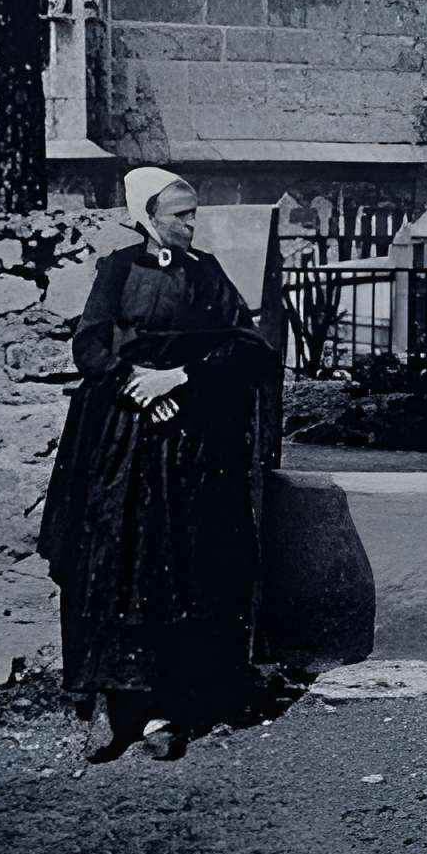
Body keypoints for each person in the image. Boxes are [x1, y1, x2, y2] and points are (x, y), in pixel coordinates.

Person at [39, 166, 278, 762]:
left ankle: (167, 710)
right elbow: (91, 342)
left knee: (178, 567)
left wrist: (181, 379)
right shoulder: (117, 270)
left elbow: (247, 346)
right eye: (180, 216)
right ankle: (113, 709)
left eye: (194, 215)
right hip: (120, 447)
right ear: (148, 215)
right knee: (113, 565)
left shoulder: (207, 274)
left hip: (188, 451)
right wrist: (136, 385)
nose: (191, 226)